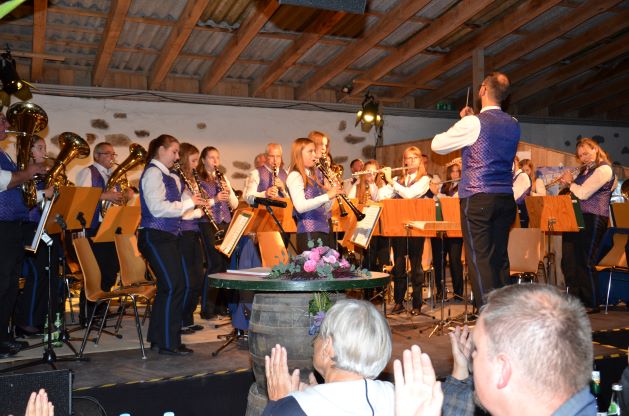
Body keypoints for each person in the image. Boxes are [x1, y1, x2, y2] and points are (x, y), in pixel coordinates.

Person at [431, 72, 520, 307]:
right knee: (499, 258)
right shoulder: (513, 123)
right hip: (505, 198)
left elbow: (437, 145)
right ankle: (505, 314)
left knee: (480, 260)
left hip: (478, 197)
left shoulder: (473, 123)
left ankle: (487, 316)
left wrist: (464, 122)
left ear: (482, 90)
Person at [262, 299, 394, 415]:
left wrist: (278, 404)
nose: (314, 342)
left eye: (319, 334)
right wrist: (319, 393)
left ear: (327, 346)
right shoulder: (396, 396)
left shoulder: (293, 409)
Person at [137, 134, 205, 355]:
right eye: (174, 152)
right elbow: (157, 208)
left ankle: (160, 338)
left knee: (172, 286)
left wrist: (193, 203)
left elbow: (176, 207)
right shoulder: (153, 173)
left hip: (168, 236)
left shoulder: (169, 176)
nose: (177, 157)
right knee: (174, 286)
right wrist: (189, 202)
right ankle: (169, 342)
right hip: (155, 235)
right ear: (161, 150)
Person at [0, 112, 48, 358]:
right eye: (2, 120)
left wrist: (40, 191)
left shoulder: (5, 155)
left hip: (12, 227)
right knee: (2, 284)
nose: (8, 124)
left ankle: (4, 336)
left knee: (10, 285)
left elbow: (19, 194)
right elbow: (3, 181)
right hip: (2, 226)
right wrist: (28, 173)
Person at [560, 138, 615, 313]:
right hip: (576, 217)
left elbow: (583, 193)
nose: (583, 158)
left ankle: (591, 302)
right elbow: (575, 193)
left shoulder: (604, 169)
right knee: (570, 261)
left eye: (586, 153)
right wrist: (566, 185)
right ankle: (575, 301)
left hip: (594, 217)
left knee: (585, 260)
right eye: (580, 156)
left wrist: (571, 183)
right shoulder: (586, 171)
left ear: (595, 149)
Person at [75, 142, 126, 325]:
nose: (112, 158)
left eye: (113, 154)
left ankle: (101, 308)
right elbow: (81, 197)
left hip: (109, 227)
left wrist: (122, 197)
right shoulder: (88, 172)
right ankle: (88, 313)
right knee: (94, 272)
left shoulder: (112, 175)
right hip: (93, 228)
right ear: (96, 156)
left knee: (110, 271)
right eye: (107, 154)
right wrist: (106, 196)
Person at [14, 136, 58, 339]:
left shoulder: (42, 175)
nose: (44, 152)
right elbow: (24, 201)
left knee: (48, 274)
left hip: (42, 228)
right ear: (28, 151)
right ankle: (26, 322)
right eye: (39, 148)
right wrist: (45, 192)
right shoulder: (21, 173)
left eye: (44, 147)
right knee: (36, 274)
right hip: (26, 228)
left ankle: (43, 319)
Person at [378, 146, 430, 315]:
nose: (412, 161)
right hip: (397, 227)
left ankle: (417, 303)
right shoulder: (397, 179)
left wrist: (392, 182)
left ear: (420, 161)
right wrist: (377, 181)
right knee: (399, 266)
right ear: (404, 161)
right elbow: (380, 197)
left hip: (416, 229)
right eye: (408, 158)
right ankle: (399, 302)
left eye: (415, 158)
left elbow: (409, 194)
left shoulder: (424, 180)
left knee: (416, 267)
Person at [196, 146, 238, 318]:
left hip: (225, 223)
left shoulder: (223, 178)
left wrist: (228, 195)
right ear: (203, 160)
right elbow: (199, 204)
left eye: (217, 158)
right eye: (211, 157)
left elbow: (235, 205)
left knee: (225, 265)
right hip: (208, 223)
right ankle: (207, 307)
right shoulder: (198, 178)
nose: (215, 161)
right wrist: (215, 199)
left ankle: (221, 305)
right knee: (214, 264)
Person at [286, 138, 341, 253]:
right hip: (309, 233)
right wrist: (327, 196)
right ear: (299, 154)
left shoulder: (312, 177)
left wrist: (333, 194)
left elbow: (325, 209)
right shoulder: (295, 176)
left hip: (323, 231)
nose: (315, 155)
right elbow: (300, 207)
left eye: (314, 151)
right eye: (310, 151)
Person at [176, 143, 205, 334]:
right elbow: (178, 211)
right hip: (182, 233)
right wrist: (197, 212)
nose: (196, 165)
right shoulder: (178, 180)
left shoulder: (191, 180)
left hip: (194, 233)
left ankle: (188, 317)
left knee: (198, 278)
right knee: (187, 279)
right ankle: (181, 320)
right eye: (193, 161)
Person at [438, 160, 464, 301]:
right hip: (443, 228)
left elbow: (455, 201)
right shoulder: (444, 186)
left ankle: (458, 292)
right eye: (452, 171)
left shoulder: (463, 185)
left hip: (456, 229)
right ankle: (441, 292)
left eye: (457, 171)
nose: (455, 174)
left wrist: (443, 197)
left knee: (455, 261)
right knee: (440, 261)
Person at [513, 155, 532, 228]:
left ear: (514, 163)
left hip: (520, 214)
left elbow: (515, 197)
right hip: (514, 213)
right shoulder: (513, 177)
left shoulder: (523, 176)